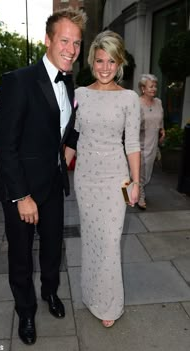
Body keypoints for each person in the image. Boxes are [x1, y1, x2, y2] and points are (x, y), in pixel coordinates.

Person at [0, 8, 87, 345]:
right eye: (64, 40)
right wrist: (22, 196)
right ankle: (26, 310)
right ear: (47, 40)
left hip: (52, 183)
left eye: (76, 43)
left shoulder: (69, 80)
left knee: (51, 249)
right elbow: (5, 146)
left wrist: (66, 152)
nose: (71, 49)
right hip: (21, 189)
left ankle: (49, 293)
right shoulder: (18, 81)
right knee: (20, 256)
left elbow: (68, 126)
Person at [65, 31, 140, 327]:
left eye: (111, 61)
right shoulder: (80, 95)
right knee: (93, 239)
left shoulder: (129, 98)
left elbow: (132, 144)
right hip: (85, 179)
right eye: (100, 60)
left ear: (119, 62)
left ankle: (109, 305)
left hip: (118, 180)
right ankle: (93, 294)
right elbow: (72, 139)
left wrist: (136, 184)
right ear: (92, 61)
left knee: (110, 241)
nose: (105, 67)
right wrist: (57, 170)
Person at [138, 74, 165, 209]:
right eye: (151, 86)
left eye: (155, 86)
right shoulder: (137, 103)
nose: (154, 89)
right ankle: (140, 196)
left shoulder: (158, 102)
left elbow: (160, 117)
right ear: (143, 88)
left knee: (147, 172)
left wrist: (162, 130)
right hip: (140, 143)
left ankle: (136, 189)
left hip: (153, 144)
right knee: (141, 171)